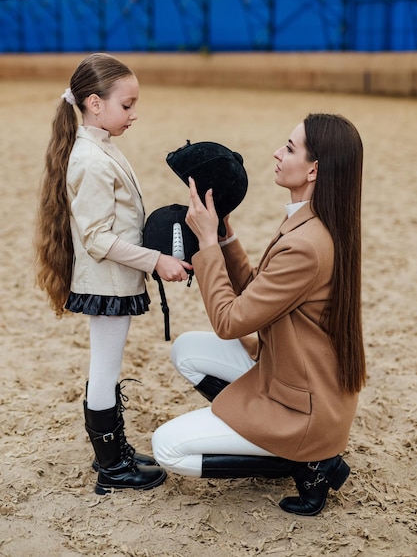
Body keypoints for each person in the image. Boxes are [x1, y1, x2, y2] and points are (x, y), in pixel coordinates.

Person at [152, 113, 366, 516]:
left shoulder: (307, 245)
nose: (276, 153)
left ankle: (307, 462)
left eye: (288, 148)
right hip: (291, 377)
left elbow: (230, 320)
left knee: (168, 447)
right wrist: (224, 233)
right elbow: (257, 292)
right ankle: (282, 443)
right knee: (187, 350)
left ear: (314, 169)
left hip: (305, 409)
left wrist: (204, 244)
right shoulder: (312, 222)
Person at [34, 53, 192, 495]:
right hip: (105, 283)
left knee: (107, 366)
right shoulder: (91, 158)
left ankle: (114, 452)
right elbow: (98, 239)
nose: (134, 113)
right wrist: (156, 261)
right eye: (127, 104)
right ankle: (112, 466)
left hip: (114, 280)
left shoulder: (101, 147)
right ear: (94, 103)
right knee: (104, 369)